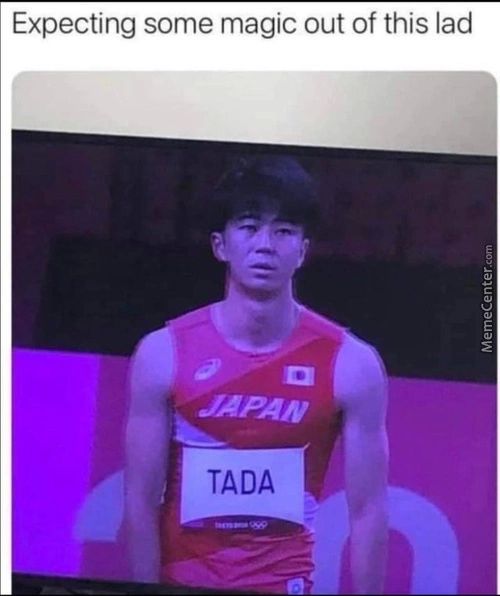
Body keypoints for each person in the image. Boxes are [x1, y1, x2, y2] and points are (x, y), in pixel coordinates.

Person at [124, 155, 389, 595]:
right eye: (249, 227)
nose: (265, 245)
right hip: (181, 583)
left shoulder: (351, 364)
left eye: (283, 231)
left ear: (302, 250)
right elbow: (139, 500)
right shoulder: (162, 353)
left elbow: (368, 512)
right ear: (220, 245)